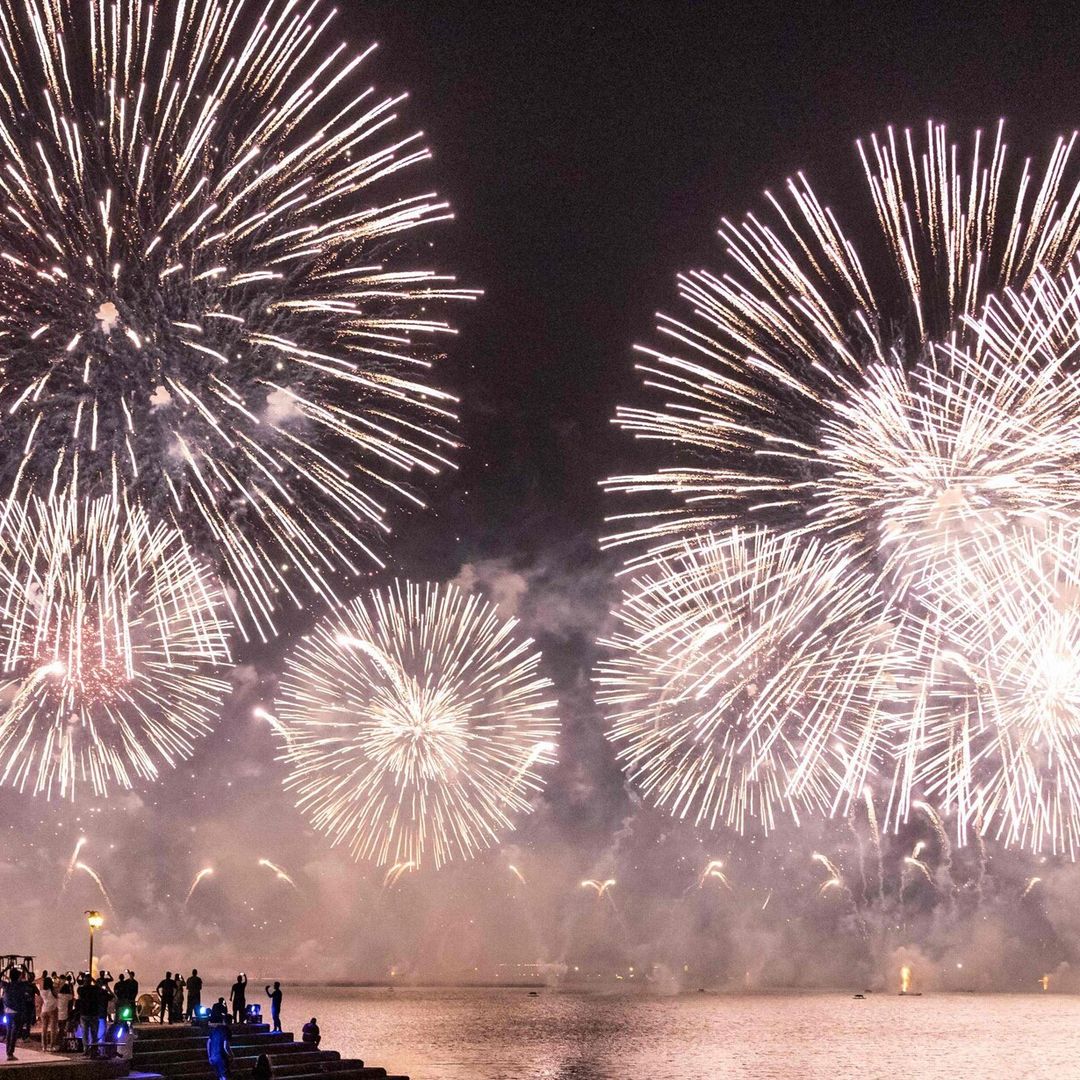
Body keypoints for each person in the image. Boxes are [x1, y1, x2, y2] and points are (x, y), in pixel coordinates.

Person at [2, 967, 23, 1061]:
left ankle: (8, 1052)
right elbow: (30, 978)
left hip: (7, 1011)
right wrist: (25, 969)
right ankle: (10, 1053)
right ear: (18, 976)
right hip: (16, 1011)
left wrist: (6, 968)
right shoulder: (20, 985)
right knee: (13, 1033)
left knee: (8, 1032)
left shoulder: (6, 985)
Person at [206, 1002, 231, 1080]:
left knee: (220, 1076)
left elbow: (208, 1042)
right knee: (225, 1077)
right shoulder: (227, 1030)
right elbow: (225, 1046)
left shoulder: (215, 1029)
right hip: (221, 1057)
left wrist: (209, 1056)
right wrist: (231, 1055)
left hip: (213, 1057)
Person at [40, 973, 59, 1051]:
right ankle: (52, 1045)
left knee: (44, 1029)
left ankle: (44, 1046)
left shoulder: (42, 991)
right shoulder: (53, 990)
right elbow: (57, 995)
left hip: (44, 1010)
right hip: (53, 1010)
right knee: (53, 1028)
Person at [56, 975, 74, 1048]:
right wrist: (70, 988)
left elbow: (57, 991)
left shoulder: (58, 995)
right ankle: (60, 1042)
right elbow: (72, 996)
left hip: (58, 1014)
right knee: (62, 1029)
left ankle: (58, 1042)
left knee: (60, 1028)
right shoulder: (67, 997)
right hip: (65, 1014)